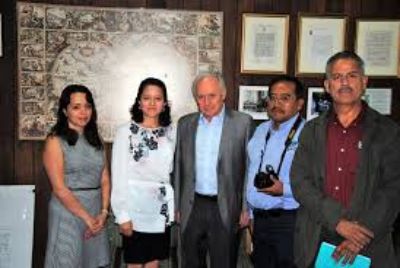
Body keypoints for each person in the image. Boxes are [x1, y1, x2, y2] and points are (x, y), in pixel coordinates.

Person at [290, 51, 400, 268]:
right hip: (318, 236)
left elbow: (393, 189)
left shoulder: (388, 131)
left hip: (369, 242)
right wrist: (338, 222)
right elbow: (300, 182)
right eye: (337, 77)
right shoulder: (311, 130)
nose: (344, 82)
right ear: (327, 85)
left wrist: (358, 235)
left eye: (352, 75)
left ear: (364, 82)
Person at [173, 73, 254, 268]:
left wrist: (246, 207)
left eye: (212, 96)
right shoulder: (185, 124)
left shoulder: (243, 123)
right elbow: (178, 167)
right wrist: (177, 205)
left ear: (223, 94)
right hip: (192, 206)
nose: (206, 102)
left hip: (226, 207)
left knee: (224, 262)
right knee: (190, 262)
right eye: (201, 97)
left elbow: (250, 168)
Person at [43, 84, 110, 268]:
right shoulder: (54, 140)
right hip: (68, 212)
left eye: (87, 106)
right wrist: (88, 219)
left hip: (96, 211)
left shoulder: (97, 139)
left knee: (92, 263)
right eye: (76, 107)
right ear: (65, 110)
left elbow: (104, 178)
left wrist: (103, 213)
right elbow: (59, 189)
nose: (83, 112)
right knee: (67, 260)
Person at [111, 78, 175, 268]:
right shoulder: (126, 132)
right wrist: (122, 215)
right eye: (147, 98)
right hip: (134, 210)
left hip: (160, 209)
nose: (152, 103)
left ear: (165, 103)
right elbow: (118, 175)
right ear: (139, 102)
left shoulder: (172, 132)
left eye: (158, 98)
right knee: (134, 263)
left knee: (153, 263)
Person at [246, 75, 305, 268]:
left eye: (285, 98)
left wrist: (284, 189)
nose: (276, 103)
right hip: (260, 222)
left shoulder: (309, 134)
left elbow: (318, 182)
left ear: (299, 104)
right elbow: (250, 172)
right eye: (272, 97)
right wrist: (252, 216)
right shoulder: (260, 130)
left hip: (290, 222)